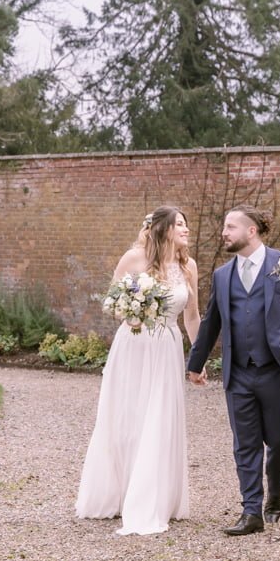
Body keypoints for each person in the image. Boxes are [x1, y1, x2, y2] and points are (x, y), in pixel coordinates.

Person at [186, 205, 280, 536]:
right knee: (244, 444)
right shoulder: (222, 275)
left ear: (251, 231)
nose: (224, 232)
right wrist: (195, 363)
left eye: (231, 226)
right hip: (239, 372)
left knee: (278, 442)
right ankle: (251, 511)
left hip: (276, 369)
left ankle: (274, 495)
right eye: (224, 227)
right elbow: (210, 323)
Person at [75, 206, 201, 535]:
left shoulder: (189, 267)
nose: (186, 230)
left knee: (160, 416)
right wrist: (132, 312)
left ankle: (156, 498)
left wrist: (198, 358)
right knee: (127, 416)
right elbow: (113, 301)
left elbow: (192, 317)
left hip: (167, 347)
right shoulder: (133, 259)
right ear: (163, 230)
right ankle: (119, 493)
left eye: (187, 225)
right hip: (133, 344)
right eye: (180, 225)